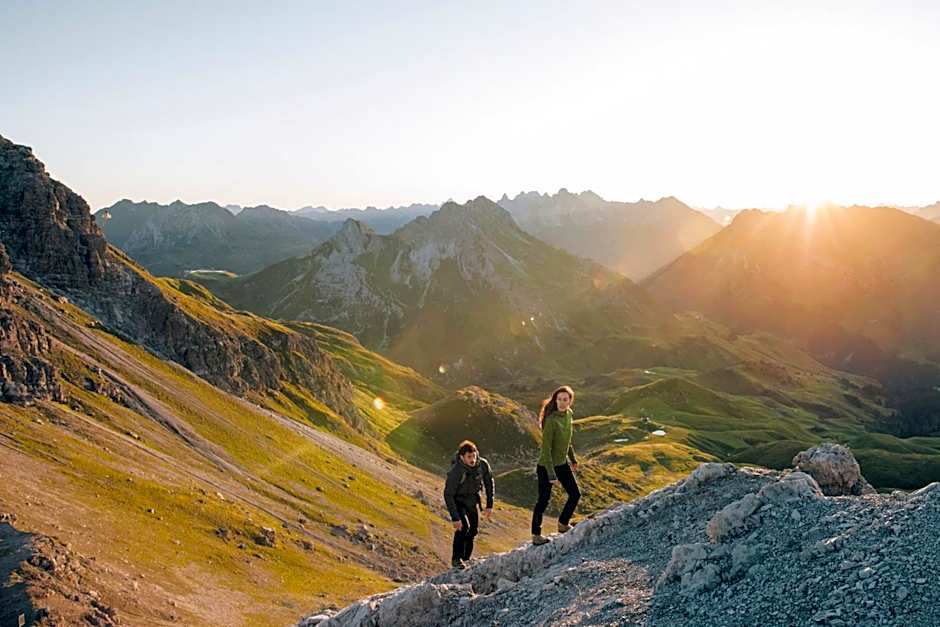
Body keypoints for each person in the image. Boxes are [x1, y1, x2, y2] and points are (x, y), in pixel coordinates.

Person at [531, 385, 580, 546]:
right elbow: (546, 450)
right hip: (546, 465)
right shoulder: (551, 420)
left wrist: (572, 459)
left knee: (575, 494)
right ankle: (536, 535)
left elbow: (567, 440)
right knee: (543, 500)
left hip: (562, 463)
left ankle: (563, 524)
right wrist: (551, 475)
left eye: (565, 399)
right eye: (559, 399)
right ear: (555, 400)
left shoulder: (569, 415)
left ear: (570, 401)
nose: (561, 402)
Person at [443, 440, 494, 569]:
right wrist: (455, 518)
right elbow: (448, 494)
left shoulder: (482, 465)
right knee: (462, 527)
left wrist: (489, 505)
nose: (472, 460)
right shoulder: (456, 471)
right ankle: (456, 559)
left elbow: (489, 483)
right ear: (462, 457)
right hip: (458, 500)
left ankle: (466, 558)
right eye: (469, 457)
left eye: (474, 456)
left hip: (472, 500)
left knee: (473, 530)